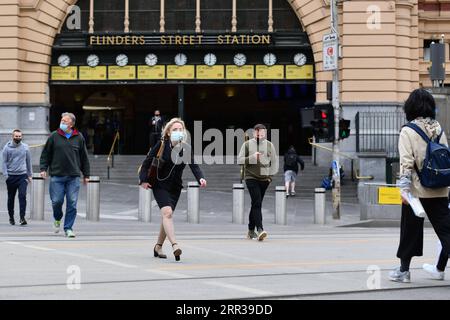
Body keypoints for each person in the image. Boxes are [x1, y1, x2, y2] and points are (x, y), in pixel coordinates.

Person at [389, 88, 450, 283]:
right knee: (446, 230)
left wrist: (404, 190)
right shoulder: (439, 128)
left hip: (416, 190)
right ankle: (436, 268)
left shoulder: (408, 130)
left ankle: (404, 271)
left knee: (410, 231)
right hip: (440, 187)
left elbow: (406, 163)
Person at [139, 118, 206, 261]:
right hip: (159, 185)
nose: (178, 132)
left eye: (180, 129)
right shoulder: (161, 145)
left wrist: (200, 178)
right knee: (168, 213)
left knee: (166, 217)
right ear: (168, 132)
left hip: (175, 188)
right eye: (175, 129)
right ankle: (175, 245)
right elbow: (146, 163)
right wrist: (143, 179)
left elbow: (194, 165)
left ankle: (158, 246)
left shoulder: (186, 148)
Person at [40, 113, 90, 238]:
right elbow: (45, 154)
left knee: (72, 203)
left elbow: (84, 157)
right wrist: (43, 168)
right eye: (61, 120)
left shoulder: (79, 137)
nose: (62, 122)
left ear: (71, 124)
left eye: (65, 121)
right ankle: (57, 218)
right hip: (57, 176)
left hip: (73, 176)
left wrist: (86, 174)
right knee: (56, 201)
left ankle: (68, 228)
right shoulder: (54, 136)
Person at [238, 124, 278, 241]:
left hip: (264, 179)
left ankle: (250, 230)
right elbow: (239, 160)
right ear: (253, 133)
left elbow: (274, 162)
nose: (259, 135)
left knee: (256, 203)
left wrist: (270, 177)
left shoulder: (270, 145)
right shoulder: (247, 145)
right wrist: (252, 157)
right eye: (257, 133)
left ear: (265, 133)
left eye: (262, 133)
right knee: (257, 203)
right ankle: (260, 229)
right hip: (251, 178)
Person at [2, 129, 32, 225]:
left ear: (21, 137)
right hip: (11, 176)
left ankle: (22, 218)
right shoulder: (7, 148)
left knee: (22, 196)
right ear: (13, 136)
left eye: (20, 136)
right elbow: (3, 162)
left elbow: (29, 162)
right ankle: (11, 217)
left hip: (22, 176)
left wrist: (29, 175)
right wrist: (6, 175)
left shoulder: (25, 147)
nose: (18, 138)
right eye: (16, 136)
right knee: (11, 198)